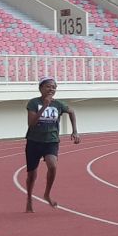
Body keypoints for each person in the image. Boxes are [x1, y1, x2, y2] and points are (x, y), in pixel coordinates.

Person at [24, 78, 79, 212]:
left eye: (54, 87)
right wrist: (44, 106)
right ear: (41, 88)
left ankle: (47, 194)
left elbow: (71, 111)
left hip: (51, 141)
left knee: (53, 166)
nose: (51, 89)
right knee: (32, 175)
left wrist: (75, 131)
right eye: (48, 87)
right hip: (34, 141)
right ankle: (29, 198)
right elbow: (31, 123)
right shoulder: (33, 103)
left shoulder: (58, 104)